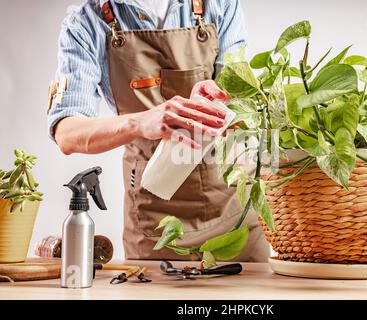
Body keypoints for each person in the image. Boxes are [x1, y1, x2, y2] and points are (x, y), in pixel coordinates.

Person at [47, 0, 270, 261]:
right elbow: (67, 133)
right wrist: (142, 122)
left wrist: (213, 102)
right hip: (155, 227)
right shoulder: (87, 22)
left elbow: (241, 98)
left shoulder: (219, 5)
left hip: (233, 213)